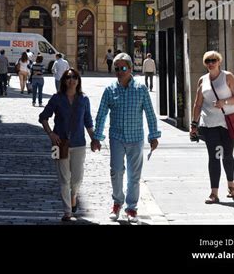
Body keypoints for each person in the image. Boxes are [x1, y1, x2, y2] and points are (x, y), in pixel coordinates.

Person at [92, 53, 161, 223]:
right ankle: (117, 203)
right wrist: (97, 137)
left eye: (123, 68)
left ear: (130, 69)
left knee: (134, 176)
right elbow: (101, 115)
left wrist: (153, 136)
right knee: (116, 172)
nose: (120, 71)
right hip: (116, 138)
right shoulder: (109, 90)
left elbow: (150, 114)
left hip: (136, 138)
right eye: (117, 68)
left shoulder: (141, 89)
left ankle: (131, 208)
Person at [40, 68, 95, 222]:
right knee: (63, 179)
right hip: (58, 144)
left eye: (75, 77)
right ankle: (67, 211)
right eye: (68, 77)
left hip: (79, 144)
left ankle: (74, 195)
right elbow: (43, 117)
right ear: (64, 81)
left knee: (77, 178)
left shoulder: (84, 99)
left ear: (78, 81)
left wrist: (94, 139)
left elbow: (88, 121)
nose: (72, 80)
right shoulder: (57, 98)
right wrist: (51, 134)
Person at [190, 51, 234, 204]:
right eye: (207, 61)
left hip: (227, 124)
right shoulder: (203, 80)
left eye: (213, 60)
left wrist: (224, 102)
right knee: (214, 157)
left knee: (227, 155)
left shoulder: (228, 77)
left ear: (219, 62)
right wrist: (194, 124)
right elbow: (198, 103)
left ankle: (231, 185)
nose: (210, 63)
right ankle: (214, 193)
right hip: (209, 125)